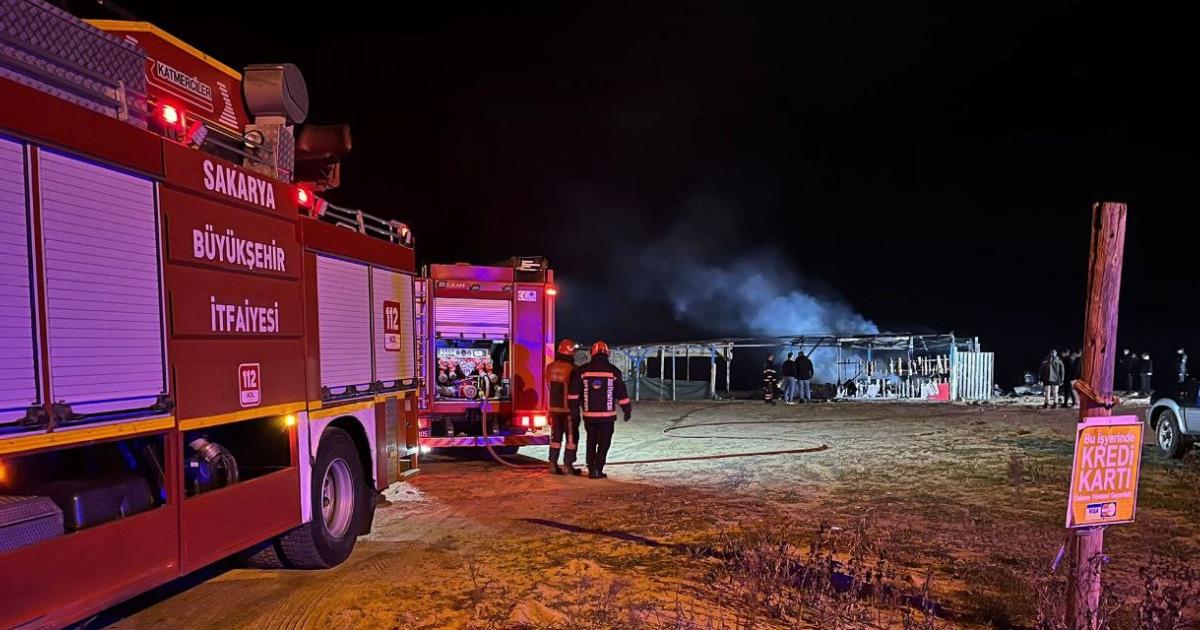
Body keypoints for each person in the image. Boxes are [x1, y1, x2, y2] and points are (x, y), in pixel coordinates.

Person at [569, 341, 632, 479]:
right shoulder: (614, 371)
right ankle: (597, 469)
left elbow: (573, 392)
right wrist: (627, 410)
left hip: (589, 416)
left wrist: (573, 409)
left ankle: (591, 468)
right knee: (604, 443)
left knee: (591, 441)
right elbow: (621, 393)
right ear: (607, 353)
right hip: (607, 417)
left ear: (592, 353)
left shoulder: (582, 370)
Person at [546, 339, 581, 476]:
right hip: (568, 410)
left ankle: (552, 464)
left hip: (554, 409)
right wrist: (576, 409)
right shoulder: (573, 369)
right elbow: (575, 391)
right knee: (572, 439)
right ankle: (568, 466)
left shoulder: (550, 367)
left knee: (555, 438)